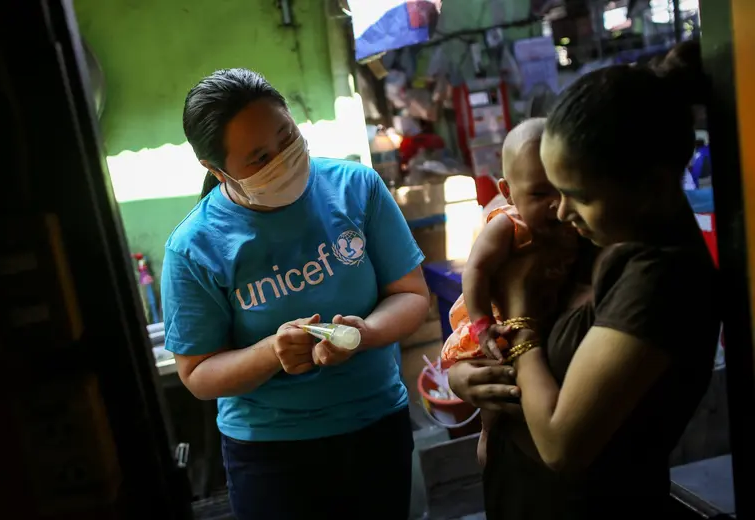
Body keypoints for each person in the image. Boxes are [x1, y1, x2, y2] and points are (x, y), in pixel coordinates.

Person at [448, 61, 719, 519]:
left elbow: (560, 444)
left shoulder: (659, 278)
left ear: (649, 186)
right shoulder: (598, 236)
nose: (561, 211)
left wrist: (519, 318)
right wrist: (466, 378)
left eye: (577, 194)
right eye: (548, 191)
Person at [162, 68, 430, 520]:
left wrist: (366, 332)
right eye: (260, 156)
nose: (283, 157)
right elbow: (197, 373)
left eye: (287, 136)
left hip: (375, 426)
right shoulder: (195, 247)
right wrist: (271, 352)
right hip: (272, 455)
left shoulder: (355, 188)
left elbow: (411, 295)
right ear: (216, 170)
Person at [440, 118, 577, 466]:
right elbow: (476, 271)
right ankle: (489, 443)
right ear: (507, 191)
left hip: (537, 326)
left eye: (563, 187)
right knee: (497, 398)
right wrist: (482, 324)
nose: (555, 204)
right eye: (539, 192)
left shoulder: (570, 225)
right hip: (497, 325)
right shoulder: (507, 226)